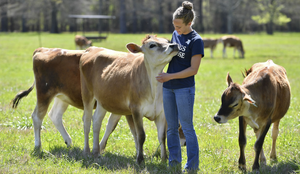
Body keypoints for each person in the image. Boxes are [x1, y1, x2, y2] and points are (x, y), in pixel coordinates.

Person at [156, 1, 204, 172]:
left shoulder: (196, 41)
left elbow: (193, 69)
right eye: (174, 25)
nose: (176, 29)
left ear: (189, 23)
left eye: (179, 26)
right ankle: (174, 163)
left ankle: (192, 166)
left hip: (184, 88)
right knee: (171, 128)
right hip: (168, 88)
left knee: (187, 127)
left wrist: (170, 76)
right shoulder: (175, 35)